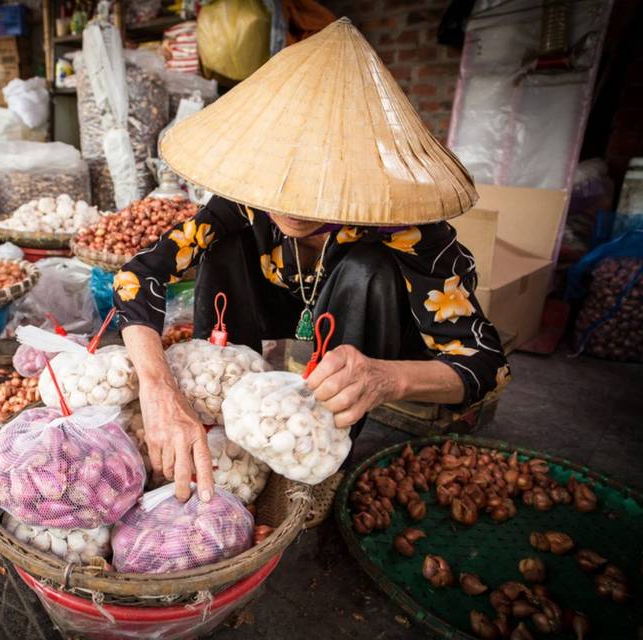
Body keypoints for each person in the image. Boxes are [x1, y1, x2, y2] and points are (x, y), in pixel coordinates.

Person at [112, 18, 510, 503]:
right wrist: (158, 390)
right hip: (283, 309)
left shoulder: (408, 230)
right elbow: (140, 276)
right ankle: (230, 410)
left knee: (369, 268)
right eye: (280, 176)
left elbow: (484, 363)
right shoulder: (245, 201)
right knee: (223, 246)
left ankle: (324, 444)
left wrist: (388, 378)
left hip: (375, 339)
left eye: (317, 184)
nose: (291, 205)